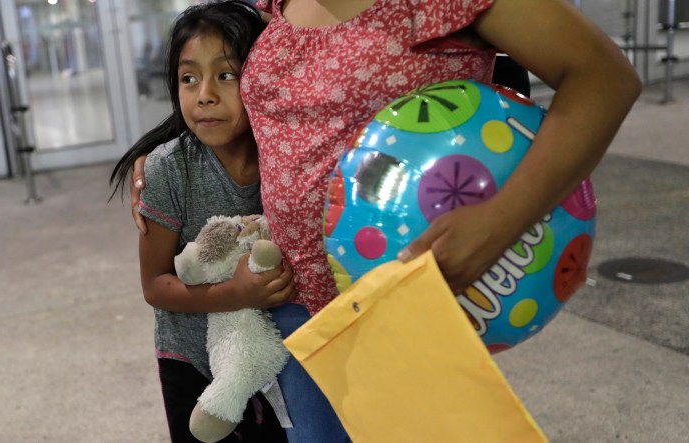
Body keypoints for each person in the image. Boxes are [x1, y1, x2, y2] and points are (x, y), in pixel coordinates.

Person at [129, 1, 642, 442]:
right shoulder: (272, 4)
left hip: (402, 307)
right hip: (296, 312)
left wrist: (502, 220)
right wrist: (160, 156)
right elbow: (240, 88)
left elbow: (603, 77)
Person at [110, 2, 294, 442]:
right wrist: (233, 294)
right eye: (188, 78)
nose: (204, 94)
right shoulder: (169, 170)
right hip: (190, 362)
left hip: (276, 358)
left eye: (226, 75)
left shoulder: (288, 158)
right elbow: (154, 285)